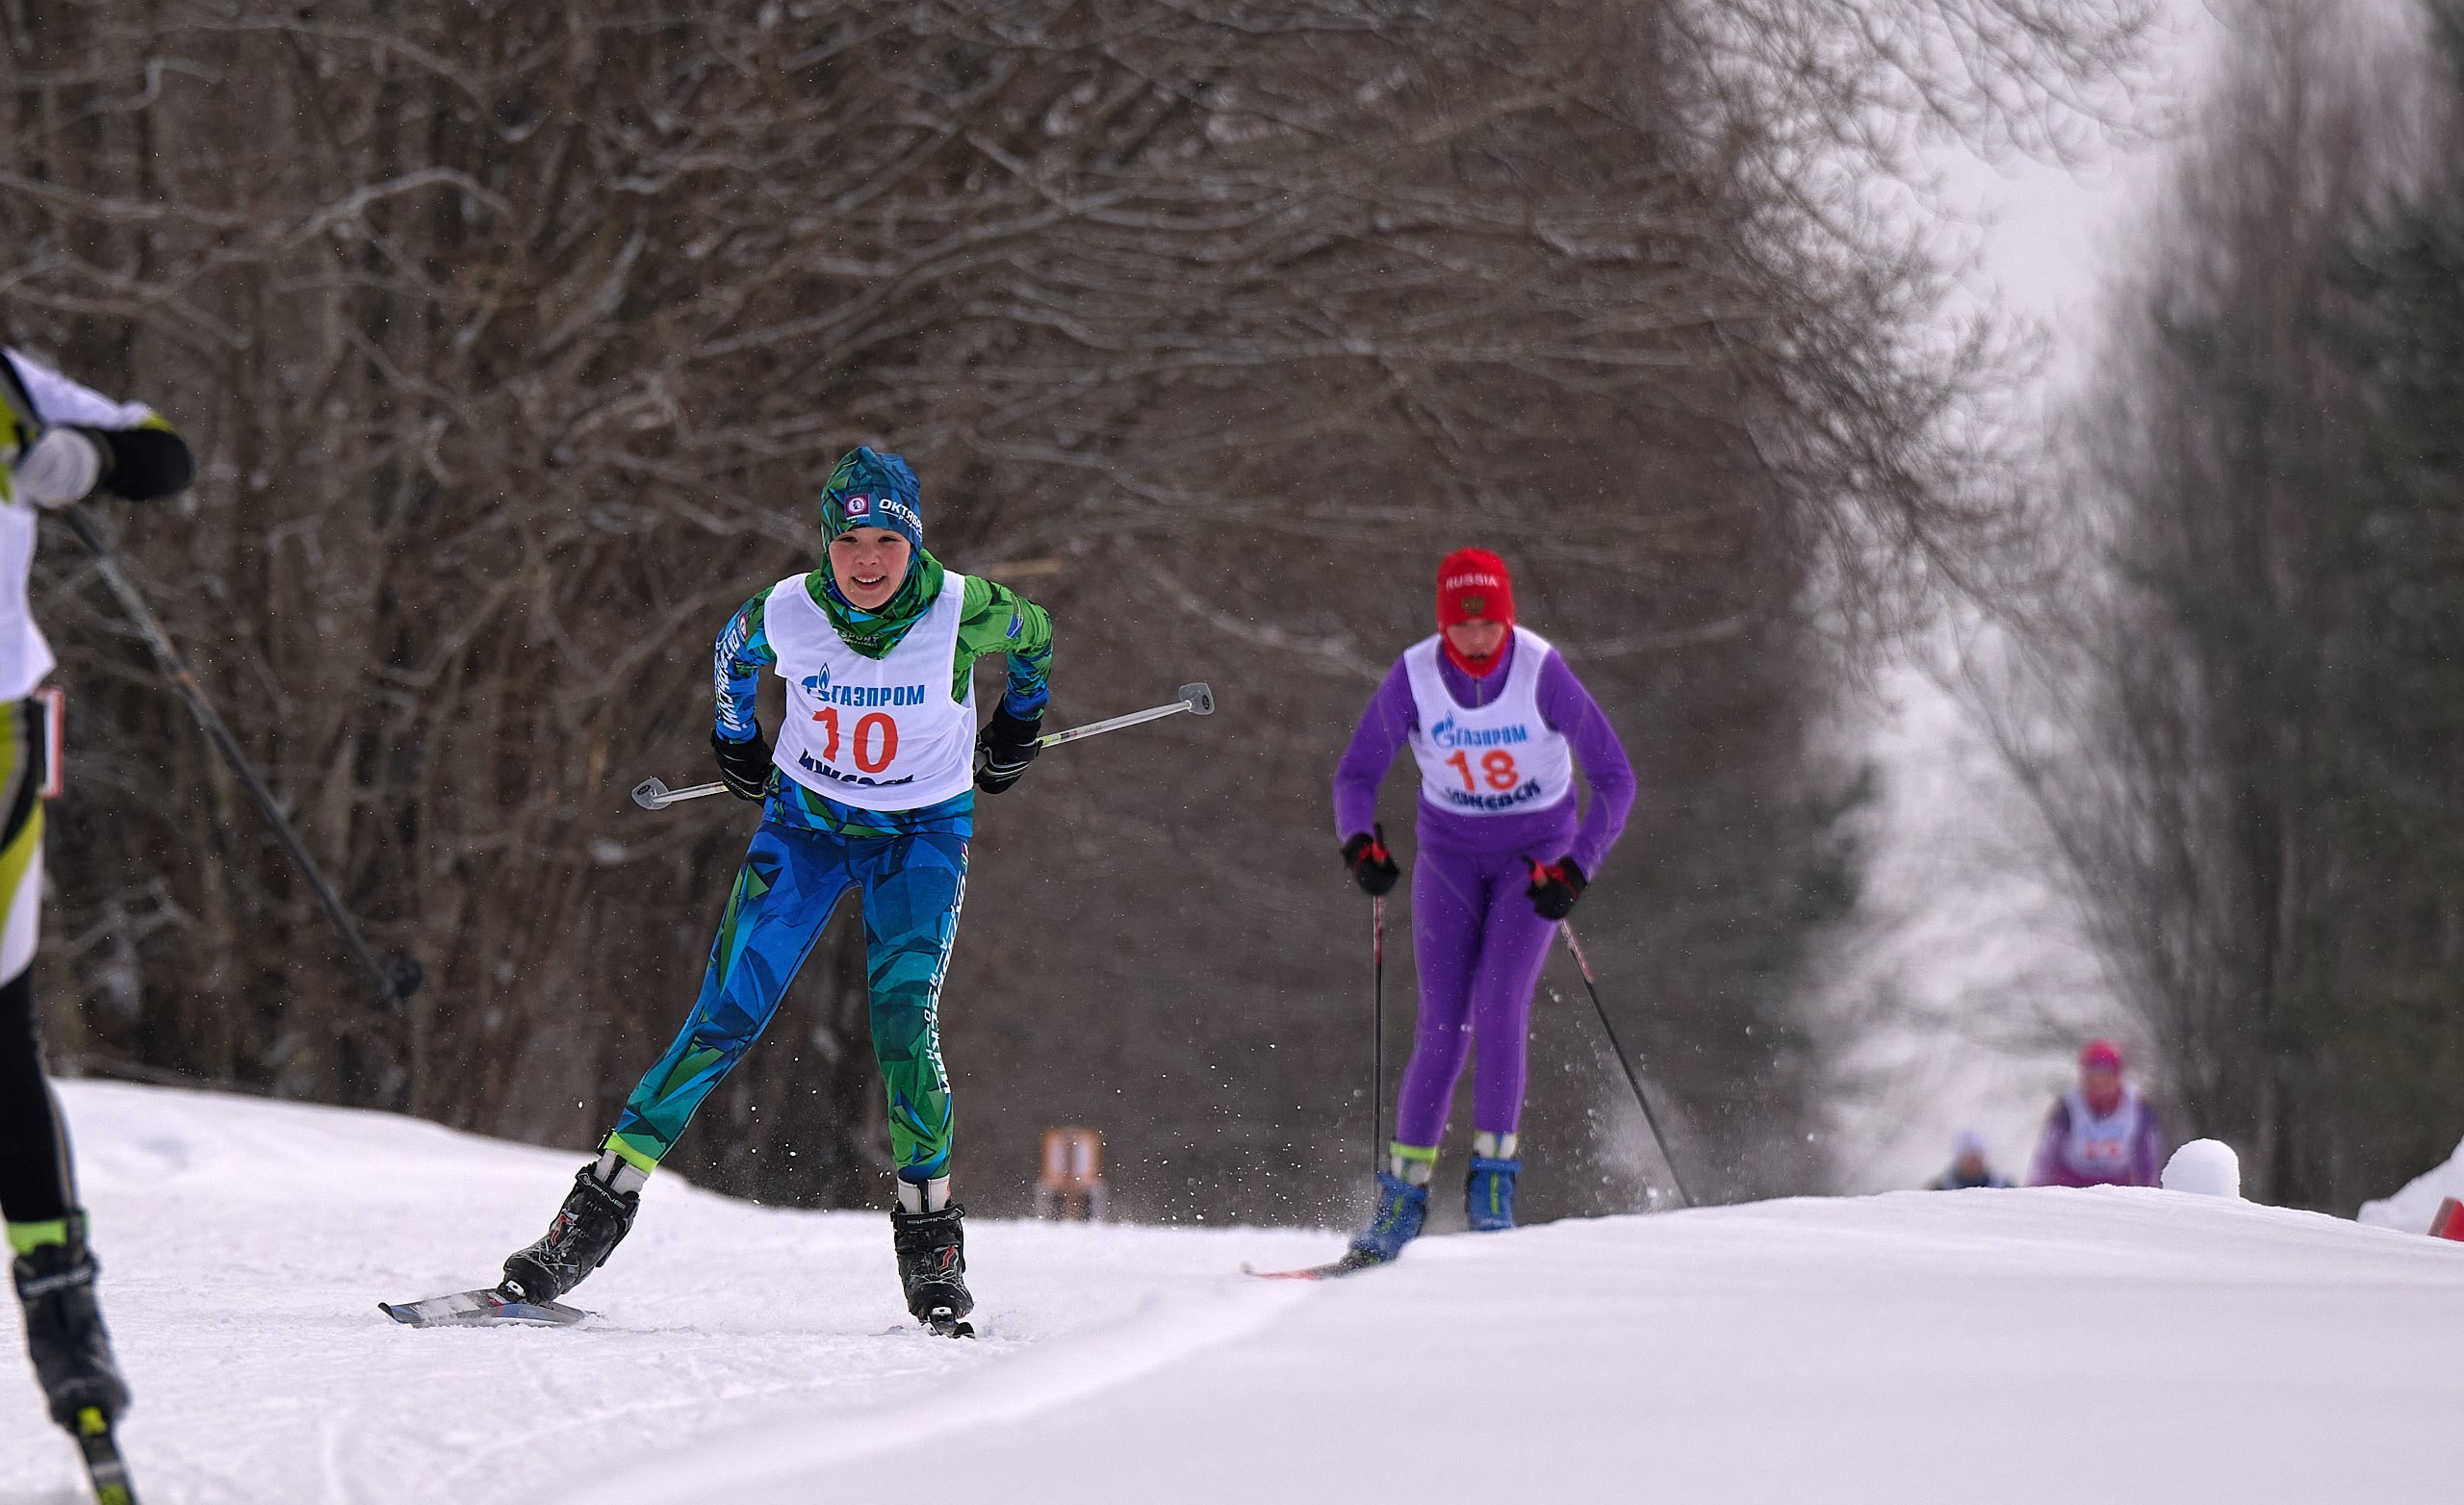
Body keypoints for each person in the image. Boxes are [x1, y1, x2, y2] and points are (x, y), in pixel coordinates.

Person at [497, 446, 1052, 1333]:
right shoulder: (788, 611)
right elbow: (731, 653)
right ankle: (588, 1220)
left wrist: (1018, 725)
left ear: (913, 542)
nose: (867, 562)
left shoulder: (961, 609)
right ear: (826, 545)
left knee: (903, 1024)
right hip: (805, 831)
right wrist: (736, 741)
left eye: (886, 542)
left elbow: (1037, 636)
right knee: (724, 1014)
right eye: (849, 543)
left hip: (920, 836)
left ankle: (932, 1245)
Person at [1331, 548, 1635, 1263]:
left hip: (1534, 857)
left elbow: (1615, 778)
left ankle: (1492, 1190)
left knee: (1499, 1007)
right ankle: (1403, 1198)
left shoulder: (1540, 670)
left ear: (1509, 619)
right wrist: (1359, 844)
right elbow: (1357, 774)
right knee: (1443, 1023)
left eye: (1490, 624)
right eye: (1462, 626)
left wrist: (1577, 867)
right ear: (1443, 625)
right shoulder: (1413, 676)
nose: (1476, 639)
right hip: (1450, 858)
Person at [0, 348, 192, 1439]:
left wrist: (91, 456)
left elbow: (164, 455)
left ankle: (61, 1302)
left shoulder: (9, 384)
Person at [2026, 1038, 2165, 1188]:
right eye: (2092, 1077)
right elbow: (2048, 1152)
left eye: (2105, 1076)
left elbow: (2146, 1152)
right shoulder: (2069, 1106)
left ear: (2117, 1075)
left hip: (2116, 1185)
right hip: (2070, 1183)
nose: (2099, 1083)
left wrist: (2149, 1184)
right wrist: (2036, 1186)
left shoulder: (2137, 1106)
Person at [1928, 1129, 2010, 1189]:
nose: (1972, 1162)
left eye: (1976, 1155)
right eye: (1967, 1157)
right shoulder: (1938, 1190)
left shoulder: (2005, 1188)